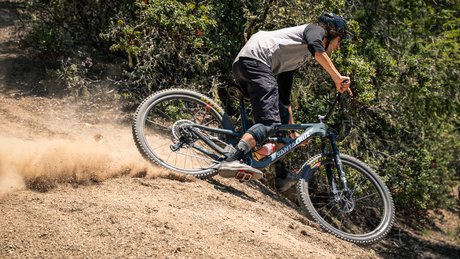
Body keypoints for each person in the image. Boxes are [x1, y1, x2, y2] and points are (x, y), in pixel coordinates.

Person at [218, 12, 353, 191]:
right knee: (269, 123)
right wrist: (337, 78)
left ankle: (251, 155)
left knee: (278, 126)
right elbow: (317, 48)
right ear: (332, 33)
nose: (338, 47)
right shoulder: (315, 31)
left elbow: (284, 98)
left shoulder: (296, 54)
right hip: (257, 62)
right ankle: (233, 159)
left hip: (246, 63)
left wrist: (291, 127)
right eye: (339, 41)